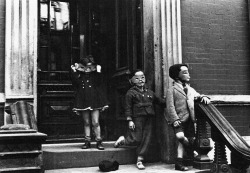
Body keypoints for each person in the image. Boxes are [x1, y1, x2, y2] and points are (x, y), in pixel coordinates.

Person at [114, 69, 165, 170]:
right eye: (137, 78)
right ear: (132, 80)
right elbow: (127, 108)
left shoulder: (150, 92)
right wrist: (130, 120)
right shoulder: (130, 93)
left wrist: (170, 100)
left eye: (142, 77)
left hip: (149, 118)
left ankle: (140, 159)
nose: (140, 80)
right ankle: (123, 140)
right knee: (137, 138)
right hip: (137, 118)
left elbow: (160, 102)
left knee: (147, 138)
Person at [166, 64, 210, 171]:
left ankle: (179, 163)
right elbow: (170, 106)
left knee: (187, 140)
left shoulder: (189, 88)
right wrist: (175, 119)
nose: (188, 74)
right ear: (177, 76)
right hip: (178, 119)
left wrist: (203, 96)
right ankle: (191, 150)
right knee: (180, 137)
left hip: (190, 119)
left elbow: (197, 95)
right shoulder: (171, 89)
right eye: (185, 72)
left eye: (188, 72)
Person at [71, 55, 109, 150]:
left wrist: (98, 71)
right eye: (85, 67)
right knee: (86, 122)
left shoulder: (95, 75)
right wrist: (75, 71)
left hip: (94, 100)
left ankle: (98, 141)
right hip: (83, 100)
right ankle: (87, 141)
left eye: (90, 67)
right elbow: (76, 83)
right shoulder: (80, 75)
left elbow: (99, 83)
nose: (87, 69)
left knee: (95, 122)